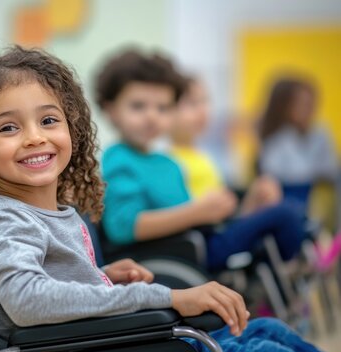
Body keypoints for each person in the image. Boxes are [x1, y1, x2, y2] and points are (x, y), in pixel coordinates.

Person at [0, 45, 334, 352]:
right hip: (99, 347)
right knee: (260, 351)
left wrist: (102, 275)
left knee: (266, 330)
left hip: (107, 338)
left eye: (48, 120)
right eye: (8, 128)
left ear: (71, 130)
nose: (35, 136)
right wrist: (167, 298)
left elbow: (42, 283)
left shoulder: (47, 211)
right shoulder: (9, 219)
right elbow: (27, 302)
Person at [97, 49, 305, 271]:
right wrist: (197, 212)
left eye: (163, 108)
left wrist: (225, 207)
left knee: (287, 209)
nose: (152, 116)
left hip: (199, 240)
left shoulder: (166, 163)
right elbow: (123, 227)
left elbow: (193, 216)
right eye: (138, 106)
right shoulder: (119, 159)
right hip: (184, 253)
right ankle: (283, 275)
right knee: (286, 214)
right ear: (111, 110)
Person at [170, 76, 282, 216]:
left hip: (219, 225)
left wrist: (254, 198)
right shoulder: (169, 161)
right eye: (192, 103)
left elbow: (225, 214)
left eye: (204, 102)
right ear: (167, 112)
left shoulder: (204, 155)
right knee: (284, 214)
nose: (202, 111)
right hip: (202, 232)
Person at [258, 77, 338, 208]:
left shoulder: (321, 132)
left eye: (311, 104)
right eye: (302, 104)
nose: (308, 110)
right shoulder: (277, 137)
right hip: (286, 201)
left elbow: (332, 169)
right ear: (286, 107)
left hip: (316, 201)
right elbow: (273, 172)